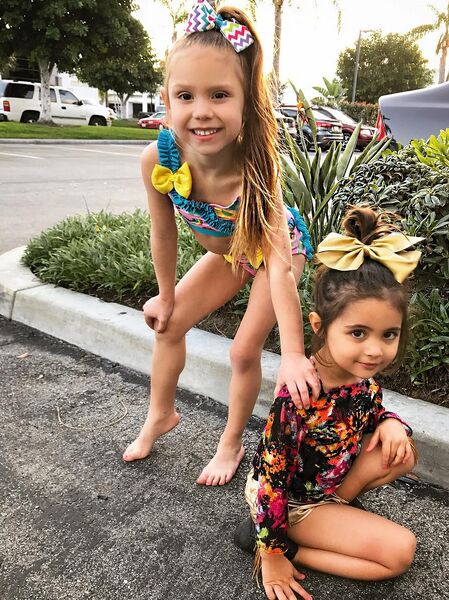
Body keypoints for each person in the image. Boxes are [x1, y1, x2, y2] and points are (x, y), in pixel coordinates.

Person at [122, 0, 320, 485]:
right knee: (168, 325)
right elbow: (163, 231)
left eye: (219, 95)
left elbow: (278, 267)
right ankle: (160, 414)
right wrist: (166, 295)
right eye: (185, 96)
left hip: (276, 254)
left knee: (242, 351)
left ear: (246, 101)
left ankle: (230, 442)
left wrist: (293, 353)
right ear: (166, 100)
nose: (201, 111)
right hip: (233, 253)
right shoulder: (157, 159)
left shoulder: (256, 169)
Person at [235, 206, 423, 600]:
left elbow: (371, 412)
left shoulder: (357, 375)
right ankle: (276, 544)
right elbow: (271, 481)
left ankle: (336, 512)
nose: (375, 350)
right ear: (320, 326)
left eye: (388, 334)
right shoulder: (300, 394)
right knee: (399, 554)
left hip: (324, 487)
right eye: (358, 333)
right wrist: (274, 555)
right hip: (289, 503)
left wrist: (391, 423)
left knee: (402, 452)